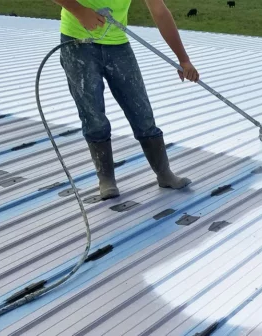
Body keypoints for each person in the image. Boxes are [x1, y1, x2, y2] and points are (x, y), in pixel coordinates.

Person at [53, 0, 198, 200]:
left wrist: (183, 59)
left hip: (117, 45)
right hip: (77, 44)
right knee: (93, 115)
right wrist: (79, 11)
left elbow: (159, 11)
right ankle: (106, 179)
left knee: (141, 112)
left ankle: (164, 174)